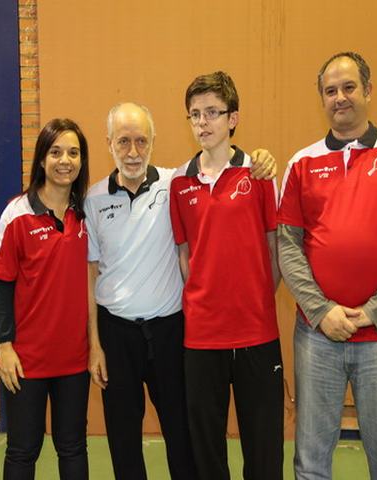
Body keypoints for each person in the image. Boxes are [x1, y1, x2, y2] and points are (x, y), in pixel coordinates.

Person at [85, 101, 277, 480]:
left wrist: (262, 158)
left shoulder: (177, 183)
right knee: (123, 441)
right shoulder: (93, 199)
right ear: (108, 143)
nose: (133, 152)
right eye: (123, 142)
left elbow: (217, 168)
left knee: (183, 439)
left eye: (142, 141)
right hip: (116, 333)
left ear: (154, 141)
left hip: (171, 330)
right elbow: (90, 272)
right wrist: (95, 344)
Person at [277, 52, 377, 480]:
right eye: (330, 91)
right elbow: (289, 248)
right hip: (316, 337)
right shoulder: (301, 163)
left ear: (368, 90)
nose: (340, 98)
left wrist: (374, 312)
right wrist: (321, 310)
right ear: (322, 100)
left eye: (349, 87)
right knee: (310, 464)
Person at [169, 72, 284, 480]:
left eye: (212, 113)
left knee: (264, 452)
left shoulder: (259, 174)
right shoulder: (180, 183)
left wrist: (251, 300)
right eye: (195, 115)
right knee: (207, 454)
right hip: (202, 338)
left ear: (233, 118)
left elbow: (275, 252)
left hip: (256, 334)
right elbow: (185, 256)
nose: (203, 123)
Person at [0, 118, 91, 480]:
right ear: (42, 159)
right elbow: (3, 284)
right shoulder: (17, 214)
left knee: (73, 447)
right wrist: (5, 346)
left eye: (74, 153)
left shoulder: (87, 213)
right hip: (25, 361)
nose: (65, 160)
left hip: (74, 360)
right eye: (56, 152)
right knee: (22, 450)